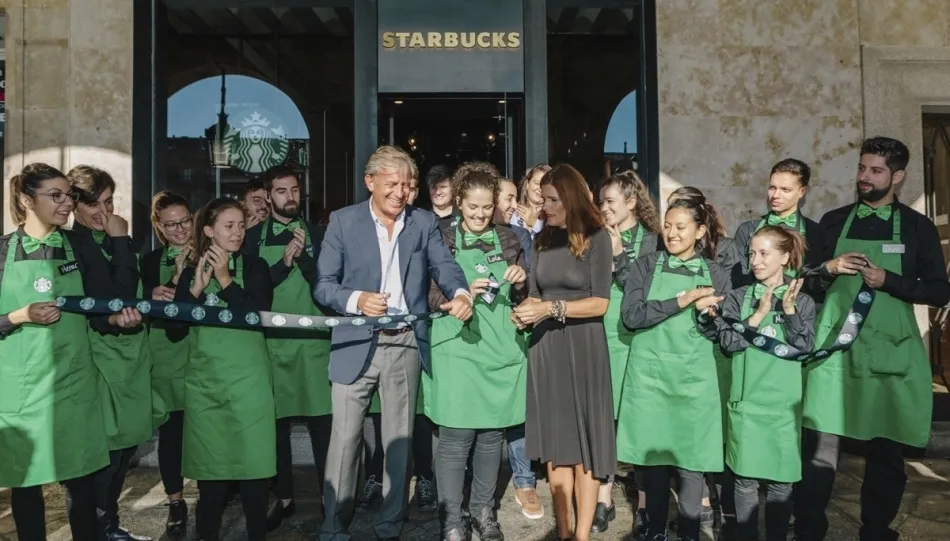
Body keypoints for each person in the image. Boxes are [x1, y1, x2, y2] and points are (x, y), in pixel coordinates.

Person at [315, 145, 472, 541]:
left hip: (404, 344)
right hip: (354, 342)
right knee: (346, 441)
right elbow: (324, 285)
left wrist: (462, 293)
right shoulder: (342, 221)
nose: (401, 192)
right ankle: (334, 527)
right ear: (370, 182)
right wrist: (357, 300)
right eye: (393, 183)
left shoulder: (421, 223)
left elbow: (445, 265)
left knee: (398, 443)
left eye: (407, 185)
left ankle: (390, 525)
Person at [796, 137, 950, 541]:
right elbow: (805, 282)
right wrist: (827, 269)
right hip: (835, 356)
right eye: (862, 168)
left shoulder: (918, 228)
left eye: (876, 170)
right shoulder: (832, 220)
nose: (865, 177)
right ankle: (810, 530)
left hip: (889, 357)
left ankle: (876, 531)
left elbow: (939, 291)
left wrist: (889, 281)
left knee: (886, 456)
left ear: (897, 176)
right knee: (819, 452)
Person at [0, 163, 139, 541]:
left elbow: (101, 309)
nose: (67, 204)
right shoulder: (1, 252)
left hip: (75, 384)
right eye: (56, 196)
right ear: (27, 200)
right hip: (22, 391)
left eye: (70, 196)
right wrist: (20, 314)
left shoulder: (78, 245)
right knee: (26, 485)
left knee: (81, 483)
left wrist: (116, 320)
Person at [617, 194, 731, 541]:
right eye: (667, 226)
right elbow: (632, 316)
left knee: (691, 464)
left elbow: (724, 332)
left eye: (681, 227)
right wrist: (681, 300)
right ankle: (654, 531)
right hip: (650, 380)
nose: (672, 233)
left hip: (694, 382)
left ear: (700, 232)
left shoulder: (715, 273)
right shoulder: (646, 266)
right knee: (652, 463)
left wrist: (710, 317)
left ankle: (691, 532)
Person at [511, 164, 615, 541]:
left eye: (553, 199)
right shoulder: (541, 241)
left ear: (570, 198)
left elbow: (600, 304)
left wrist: (551, 309)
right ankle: (565, 532)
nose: (545, 205)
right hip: (546, 347)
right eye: (543, 198)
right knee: (557, 446)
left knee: (585, 446)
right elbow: (537, 293)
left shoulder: (597, 237)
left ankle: (582, 536)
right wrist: (526, 311)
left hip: (584, 346)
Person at [424, 169, 529, 541]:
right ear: (458, 203)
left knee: (490, 436)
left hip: (500, 346)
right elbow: (428, 291)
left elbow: (523, 296)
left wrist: (520, 281)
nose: (481, 215)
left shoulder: (510, 237)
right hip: (457, 345)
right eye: (473, 207)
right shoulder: (442, 237)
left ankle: (485, 513)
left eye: (487, 208)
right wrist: (459, 292)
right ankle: (452, 519)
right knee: (455, 435)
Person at [169, 197, 276, 541]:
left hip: (249, 388)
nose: (237, 233)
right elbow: (174, 331)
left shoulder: (256, 267)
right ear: (209, 230)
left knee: (255, 479)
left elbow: (257, 315)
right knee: (211, 484)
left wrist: (226, 279)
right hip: (207, 389)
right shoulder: (190, 272)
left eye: (241, 225)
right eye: (229, 226)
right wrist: (196, 290)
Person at [701, 226, 816, 541]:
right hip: (747, 405)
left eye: (764, 253)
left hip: (782, 409)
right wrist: (756, 316)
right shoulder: (738, 298)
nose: (756, 261)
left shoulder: (802, 300)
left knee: (781, 484)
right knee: (744, 482)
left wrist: (789, 312)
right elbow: (728, 343)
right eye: (752, 253)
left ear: (784, 256)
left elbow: (804, 349)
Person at [243, 166, 331, 531]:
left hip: (315, 348)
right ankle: (284, 497)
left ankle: (332, 499)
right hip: (272, 347)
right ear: (268, 196)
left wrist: (306, 260)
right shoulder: (250, 238)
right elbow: (253, 291)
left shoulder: (321, 234)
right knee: (275, 428)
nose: (289, 196)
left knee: (323, 428)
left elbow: (330, 289)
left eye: (294, 189)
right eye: (281, 191)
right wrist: (283, 264)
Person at [68, 165, 154, 541]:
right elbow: (110, 298)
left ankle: (109, 524)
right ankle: (95, 530)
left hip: (129, 358)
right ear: (75, 206)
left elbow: (131, 293)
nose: (104, 212)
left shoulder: (111, 240)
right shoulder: (75, 244)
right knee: (103, 455)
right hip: (98, 359)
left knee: (123, 452)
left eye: (109, 201)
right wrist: (121, 241)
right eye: (94, 205)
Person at [594, 170, 661, 534]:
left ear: (632, 202)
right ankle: (603, 496)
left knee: (639, 419)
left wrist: (619, 255)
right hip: (603, 336)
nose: (603, 208)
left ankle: (645, 502)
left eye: (610, 202)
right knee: (606, 418)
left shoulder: (653, 242)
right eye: (601, 202)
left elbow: (643, 292)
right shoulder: (595, 236)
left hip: (638, 340)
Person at [141, 191, 193, 536]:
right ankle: (175, 501)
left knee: (206, 430)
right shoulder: (148, 262)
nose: (180, 230)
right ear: (159, 226)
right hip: (164, 358)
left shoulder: (213, 254)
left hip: (203, 354)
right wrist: (151, 297)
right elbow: (138, 306)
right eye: (171, 224)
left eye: (186, 221)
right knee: (172, 433)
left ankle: (217, 491)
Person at [493, 175, 543, 520]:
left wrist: (522, 282)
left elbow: (534, 281)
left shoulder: (520, 235)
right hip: (478, 336)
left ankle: (524, 481)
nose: (513, 205)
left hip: (513, 332)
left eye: (515, 197)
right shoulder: (454, 234)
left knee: (517, 410)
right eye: (507, 198)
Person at [732, 159, 822, 288]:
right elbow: (739, 277)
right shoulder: (748, 230)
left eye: (785, 190)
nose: (775, 195)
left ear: (802, 191)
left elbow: (814, 281)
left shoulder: (814, 232)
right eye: (772, 188)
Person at [511, 164, 550, 237]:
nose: (540, 188)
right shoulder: (512, 211)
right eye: (537, 183)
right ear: (527, 184)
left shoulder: (553, 216)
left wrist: (534, 223)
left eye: (544, 185)